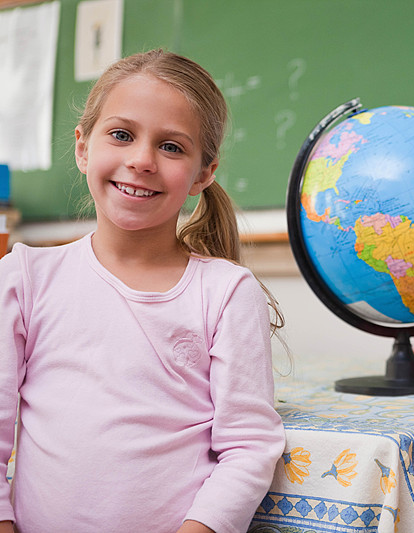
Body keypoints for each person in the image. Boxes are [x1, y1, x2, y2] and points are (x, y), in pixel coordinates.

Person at [0, 49, 286, 533]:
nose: (141, 160)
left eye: (172, 146)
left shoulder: (226, 291)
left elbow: (249, 445)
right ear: (83, 147)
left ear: (203, 173)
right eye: (121, 134)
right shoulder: (25, 277)